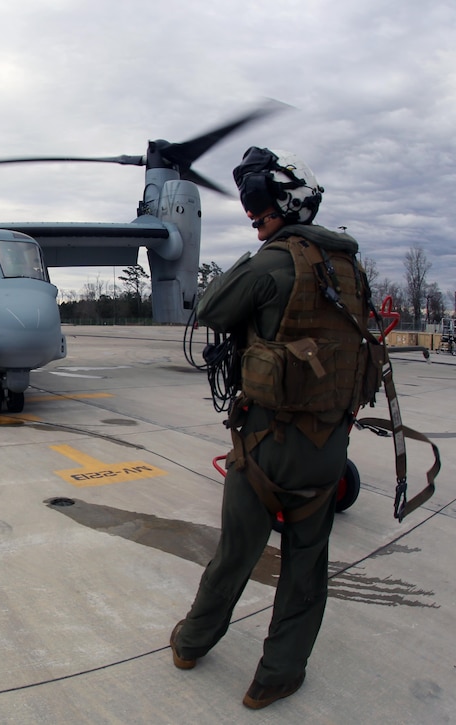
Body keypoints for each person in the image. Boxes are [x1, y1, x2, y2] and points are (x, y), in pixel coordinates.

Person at [170, 147, 375, 709]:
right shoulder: (350, 268)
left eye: (259, 213)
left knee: (237, 551)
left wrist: (258, 251)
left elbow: (210, 310)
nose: (254, 221)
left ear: (284, 207)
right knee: (307, 564)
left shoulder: (270, 263)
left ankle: (191, 643)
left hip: (265, 442)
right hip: (329, 443)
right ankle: (277, 676)